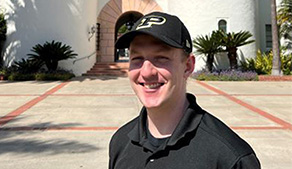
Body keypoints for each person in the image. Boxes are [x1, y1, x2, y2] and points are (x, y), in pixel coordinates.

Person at [109, 11, 261, 169]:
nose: (147, 72)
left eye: (161, 58)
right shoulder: (120, 142)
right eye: (137, 59)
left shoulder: (230, 158)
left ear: (188, 66)